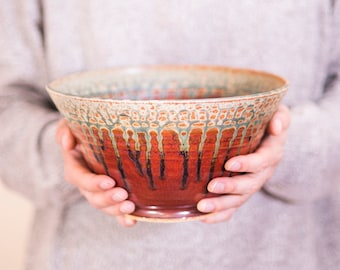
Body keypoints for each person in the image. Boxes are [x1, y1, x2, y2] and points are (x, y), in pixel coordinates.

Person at [0, 1, 339, 269]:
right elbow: (7, 104)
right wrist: (65, 152)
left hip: (291, 254)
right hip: (85, 256)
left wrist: (286, 148)